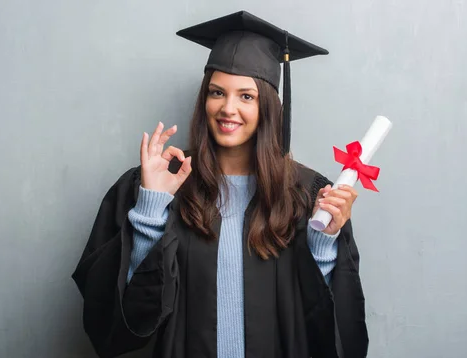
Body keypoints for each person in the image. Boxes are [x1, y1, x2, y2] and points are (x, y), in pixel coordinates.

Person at [72, 10, 368, 358]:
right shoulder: (164, 180)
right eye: (217, 92)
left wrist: (323, 241)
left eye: (246, 96)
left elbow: (329, 329)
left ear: (268, 107)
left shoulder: (305, 193)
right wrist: (151, 206)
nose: (228, 108)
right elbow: (120, 318)